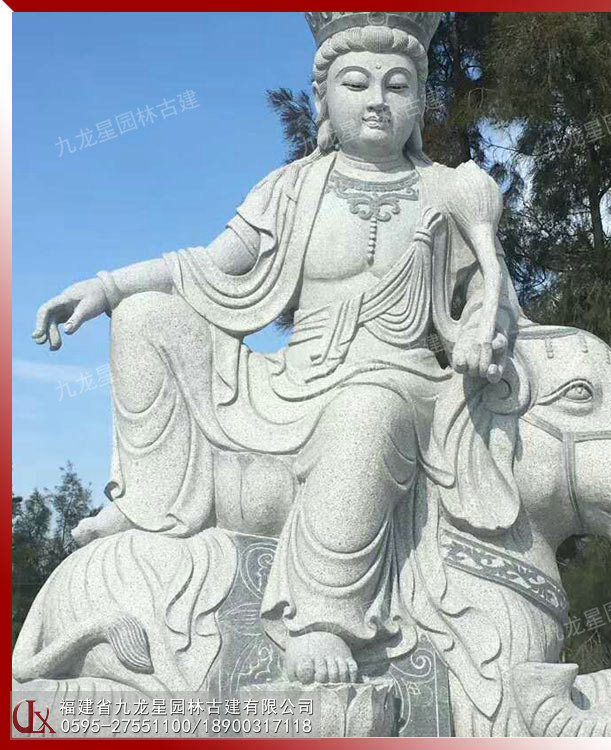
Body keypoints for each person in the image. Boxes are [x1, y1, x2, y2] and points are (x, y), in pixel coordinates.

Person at [31, 12, 525, 685]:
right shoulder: (291, 189)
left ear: (418, 103)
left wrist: (480, 329)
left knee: (367, 408)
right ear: (324, 98)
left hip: (393, 377)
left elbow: (495, 298)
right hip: (290, 379)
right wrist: (108, 286)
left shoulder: (448, 191)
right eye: (356, 83)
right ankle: (151, 500)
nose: (377, 100)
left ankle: (323, 616)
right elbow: (207, 266)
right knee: (147, 316)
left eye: (397, 85)